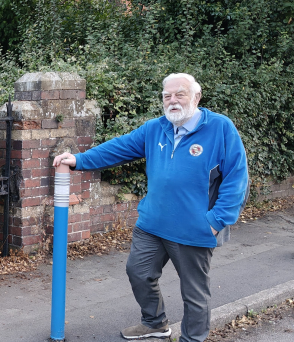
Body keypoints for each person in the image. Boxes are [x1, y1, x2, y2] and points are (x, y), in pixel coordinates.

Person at [52, 73, 249, 342]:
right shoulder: (156, 128)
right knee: (139, 273)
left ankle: (192, 339)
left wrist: (215, 221)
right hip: (153, 223)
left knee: (194, 294)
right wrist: (78, 159)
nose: (173, 101)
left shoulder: (220, 128)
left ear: (196, 97)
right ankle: (155, 323)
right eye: (167, 96)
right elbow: (120, 147)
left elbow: (237, 178)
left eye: (180, 94)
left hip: (194, 228)